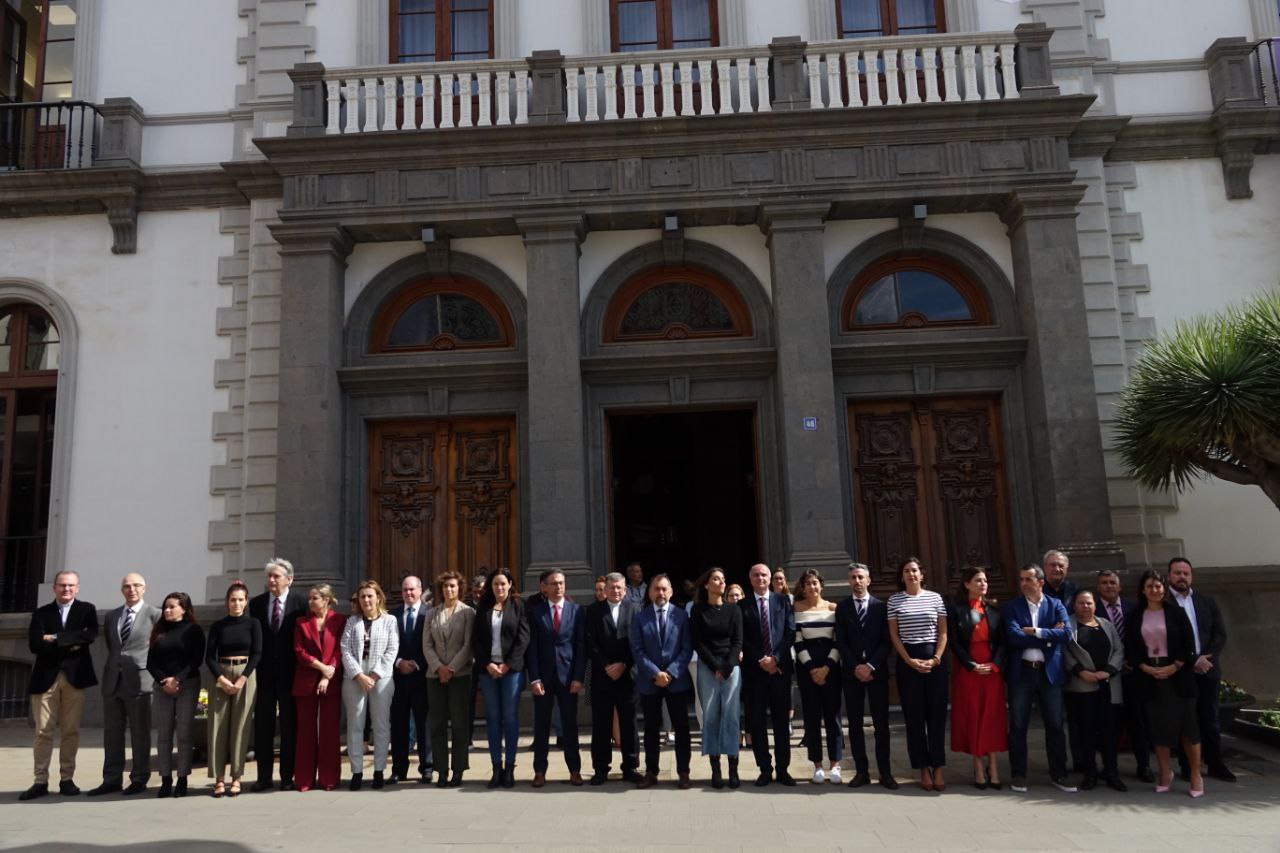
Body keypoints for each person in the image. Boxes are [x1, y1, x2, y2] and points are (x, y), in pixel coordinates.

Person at [21, 570, 98, 801]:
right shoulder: (41, 613)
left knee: (70, 731)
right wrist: (71, 641)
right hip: (46, 678)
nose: (67, 589)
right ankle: (40, 780)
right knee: (43, 731)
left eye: (71, 585)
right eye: (62, 585)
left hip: (75, 677)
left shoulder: (87, 610)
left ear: (78, 587)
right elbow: (35, 644)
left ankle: (67, 778)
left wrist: (53, 638)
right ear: (54, 587)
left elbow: (90, 635)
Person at [1125, 569, 1203, 797]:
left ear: (1163, 588)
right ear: (1143, 590)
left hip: (1178, 676)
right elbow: (1131, 646)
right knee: (1159, 729)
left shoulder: (1177, 613)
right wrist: (1145, 667)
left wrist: (1176, 665)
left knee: (1188, 728)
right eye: (1149, 586)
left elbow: (1189, 644)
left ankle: (1196, 774)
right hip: (1150, 675)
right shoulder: (1135, 616)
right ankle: (1165, 772)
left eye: (1158, 586)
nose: (1154, 590)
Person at [1002, 563, 1075, 793]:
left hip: (1049, 673)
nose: (1023, 583)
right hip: (1022, 672)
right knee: (1018, 725)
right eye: (1021, 579)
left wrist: (1036, 632)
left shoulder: (1055, 605)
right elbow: (1014, 637)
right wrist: (1049, 636)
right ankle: (1019, 774)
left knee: (1054, 724)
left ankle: (1059, 774)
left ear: (1040, 582)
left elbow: (1066, 634)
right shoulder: (1012, 607)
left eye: (1028, 579)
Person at [90, 572, 161, 796]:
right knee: (112, 733)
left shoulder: (155, 615)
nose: (131, 589)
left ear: (144, 588)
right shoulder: (113, 616)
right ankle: (111, 778)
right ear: (122, 590)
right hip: (113, 680)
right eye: (127, 586)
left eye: (136, 585)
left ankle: (139, 778)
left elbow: (158, 648)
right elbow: (113, 646)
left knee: (140, 732)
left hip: (139, 680)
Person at [1167, 557, 1234, 783]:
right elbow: (1167, 639)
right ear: (1169, 576)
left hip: (1208, 671)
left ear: (1191, 576)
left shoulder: (1207, 602)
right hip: (1182, 671)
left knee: (1210, 719)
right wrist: (1192, 660)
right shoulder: (1163, 604)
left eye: (1185, 573)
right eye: (1177, 573)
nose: (1182, 577)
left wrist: (1206, 659)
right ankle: (1187, 767)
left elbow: (1220, 635)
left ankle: (1215, 764)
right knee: (1186, 720)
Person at [888, 557, 949, 791]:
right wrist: (909, 661)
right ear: (902, 576)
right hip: (908, 663)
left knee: (936, 716)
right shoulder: (894, 601)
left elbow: (942, 632)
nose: (911, 574)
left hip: (935, 661)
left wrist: (936, 659)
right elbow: (894, 635)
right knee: (914, 718)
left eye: (915, 570)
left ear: (921, 574)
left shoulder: (935, 598)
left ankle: (939, 767)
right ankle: (923, 767)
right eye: (907, 571)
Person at [834, 563, 897, 789]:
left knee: (881, 724)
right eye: (853, 578)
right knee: (855, 724)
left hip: (876, 674)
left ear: (868, 581)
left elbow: (886, 641)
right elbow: (840, 641)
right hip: (852, 675)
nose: (857, 581)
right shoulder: (842, 609)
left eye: (861, 577)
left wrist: (870, 665)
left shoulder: (881, 608)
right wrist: (857, 667)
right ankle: (861, 772)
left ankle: (885, 772)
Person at [248, 557, 307, 792]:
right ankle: (264, 777)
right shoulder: (257, 604)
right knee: (263, 727)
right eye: (269, 576)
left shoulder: (300, 603)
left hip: (291, 674)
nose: (271, 580)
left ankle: (287, 776)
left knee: (289, 727)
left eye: (276, 576)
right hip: (263, 676)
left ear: (289, 579)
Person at [631, 573, 694, 788]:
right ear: (649, 592)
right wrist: (655, 673)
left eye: (664, 589)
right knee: (650, 728)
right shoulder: (640, 617)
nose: (660, 593)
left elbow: (687, 648)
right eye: (656, 589)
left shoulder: (681, 616)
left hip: (676, 681)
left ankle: (684, 771)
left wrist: (671, 672)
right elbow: (637, 650)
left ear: (671, 591)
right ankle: (651, 771)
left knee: (681, 727)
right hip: (650, 682)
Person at [947, 567, 1007, 790]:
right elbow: (954, 642)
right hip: (969, 670)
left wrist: (995, 665)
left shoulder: (994, 609)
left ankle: (993, 766)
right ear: (966, 584)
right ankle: (978, 767)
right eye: (978, 580)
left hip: (992, 671)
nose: (983, 584)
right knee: (973, 716)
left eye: (985, 580)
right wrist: (971, 665)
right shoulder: (956, 609)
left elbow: (1002, 642)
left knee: (991, 717)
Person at [526, 568, 587, 787]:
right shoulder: (535, 612)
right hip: (543, 678)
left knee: (570, 725)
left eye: (561, 583)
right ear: (544, 587)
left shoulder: (577, 611)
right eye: (553, 583)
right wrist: (534, 679)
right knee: (541, 726)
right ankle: (540, 771)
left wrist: (579, 677)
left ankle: (575, 770)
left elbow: (581, 647)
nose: (558, 587)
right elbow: (531, 649)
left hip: (568, 676)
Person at [472, 567, 530, 788]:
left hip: (511, 671)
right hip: (488, 670)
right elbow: (476, 639)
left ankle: (510, 767)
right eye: (495, 584)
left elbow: (523, 638)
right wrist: (487, 664)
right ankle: (496, 768)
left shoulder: (519, 606)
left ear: (510, 584)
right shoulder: (483, 607)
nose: (499, 588)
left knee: (510, 718)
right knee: (493, 718)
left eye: (503, 584)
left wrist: (507, 665)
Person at [1095, 568, 1153, 783]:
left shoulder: (1133, 608)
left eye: (1112, 582)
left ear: (1119, 586)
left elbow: (1143, 638)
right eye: (1104, 583)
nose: (1109, 586)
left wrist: (1135, 662)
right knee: (1109, 724)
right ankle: (1110, 767)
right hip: (1108, 675)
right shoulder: (1093, 610)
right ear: (1098, 587)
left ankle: (1144, 765)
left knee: (1138, 722)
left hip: (1134, 674)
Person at [740, 562, 796, 786]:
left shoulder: (783, 601)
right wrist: (760, 660)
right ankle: (764, 768)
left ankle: (783, 769)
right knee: (758, 723)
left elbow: (790, 633)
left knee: (782, 722)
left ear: (770, 578)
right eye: (756, 575)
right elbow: (741, 637)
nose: (760, 579)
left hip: (780, 671)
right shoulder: (741, 606)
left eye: (764, 575)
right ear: (750, 579)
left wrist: (776, 659)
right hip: (755, 673)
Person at [1064, 589, 1126, 791]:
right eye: (1081, 603)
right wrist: (1081, 672)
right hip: (1082, 686)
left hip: (1107, 685)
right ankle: (1089, 773)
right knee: (1086, 732)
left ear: (1095, 605)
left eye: (1089, 603)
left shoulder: (1106, 624)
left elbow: (1119, 649)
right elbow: (1064, 652)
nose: (1085, 606)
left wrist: (1108, 671)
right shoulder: (1068, 625)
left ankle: (1111, 772)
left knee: (1109, 731)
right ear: (1074, 605)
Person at [341, 579, 399, 790]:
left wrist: (374, 675)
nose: (366, 600)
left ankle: (379, 770)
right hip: (354, 679)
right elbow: (345, 649)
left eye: (370, 596)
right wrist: (358, 675)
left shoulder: (389, 621)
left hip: (381, 679)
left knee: (381, 725)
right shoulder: (352, 622)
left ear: (378, 598)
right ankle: (356, 772)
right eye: (363, 596)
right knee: (355, 725)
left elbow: (392, 650)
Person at [205, 580, 262, 798]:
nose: (236, 604)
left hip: (245, 675)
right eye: (232, 600)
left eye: (240, 600)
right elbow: (209, 656)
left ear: (246, 602)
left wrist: (241, 679)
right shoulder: (219, 626)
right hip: (221, 673)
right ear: (227, 602)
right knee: (217, 726)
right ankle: (219, 779)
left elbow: (257, 654)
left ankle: (236, 777)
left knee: (240, 726)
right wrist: (221, 678)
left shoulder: (253, 624)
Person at [146, 591, 205, 798]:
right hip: (162, 686)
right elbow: (150, 661)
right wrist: (165, 680)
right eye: (165, 607)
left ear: (183, 609)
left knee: (184, 732)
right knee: (164, 734)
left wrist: (177, 679)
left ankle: (182, 778)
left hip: (186, 684)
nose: (167, 611)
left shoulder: (193, 630)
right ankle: (165, 779)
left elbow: (196, 659)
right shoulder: (159, 630)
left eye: (172, 607)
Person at [585, 571, 641, 785]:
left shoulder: (635, 609)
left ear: (625, 590)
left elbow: (637, 641)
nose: (615, 591)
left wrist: (624, 664)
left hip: (628, 675)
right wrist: (607, 665)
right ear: (604, 589)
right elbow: (590, 642)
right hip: (602, 675)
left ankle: (631, 767)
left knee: (629, 724)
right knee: (601, 724)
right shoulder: (592, 611)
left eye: (619, 588)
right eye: (611, 587)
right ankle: (600, 768)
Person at [690, 567, 743, 789]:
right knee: (711, 715)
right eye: (715, 579)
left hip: (731, 666)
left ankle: (733, 768)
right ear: (706, 585)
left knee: (731, 715)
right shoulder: (698, 610)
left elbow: (738, 641)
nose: (721, 582)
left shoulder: (733, 610)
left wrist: (728, 666)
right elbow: (698, 642)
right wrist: (715, 666)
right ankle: (716, 769)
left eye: (723, 579)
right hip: (707, 667)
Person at [292, 583, 346, 792]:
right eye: (310, 598)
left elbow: (341, 648)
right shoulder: (301, 622)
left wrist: (329, 672)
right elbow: (299, 650)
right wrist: (322, 667)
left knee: (329, 731)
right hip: (306, 681)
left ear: (326, 600)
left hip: (331, 681)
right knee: (305, 731)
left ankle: (329, 778)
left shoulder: (340, 620)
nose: (310, 602)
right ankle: (304, 779)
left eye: (315, 598)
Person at [423, 570, 475, 787]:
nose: (449, 590)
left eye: (453, 586)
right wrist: (438, 668)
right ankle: (441, 770)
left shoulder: (468, 613)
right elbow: (426, 644)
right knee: (437, 724)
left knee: (459, 724)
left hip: (460, 675)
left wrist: (451, 669)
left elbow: (468, 645)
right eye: (445, 586)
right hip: (434, 676)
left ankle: (458, 770)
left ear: (459, 588)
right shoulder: (431, 613)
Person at [792, 569, 842, 784]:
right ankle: (817, 765)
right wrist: (812, 668)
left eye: (815, 583)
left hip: (831, 667)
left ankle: (836, 764)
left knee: (833, 717)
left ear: (821, 585)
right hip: (807, 668)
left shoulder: (833, 609)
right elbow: (797, 641)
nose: (812, 587)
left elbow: (838, 641)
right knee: (812, 717)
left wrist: (826, 668)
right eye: (808, 584)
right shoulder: (796, 610)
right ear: (803, 587)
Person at [388, 575, 433, 785]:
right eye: (405, 590)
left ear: (420, 590)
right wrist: (398, 662)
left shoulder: (429, 614)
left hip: (421, 677)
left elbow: (432, 644)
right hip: (397, 678)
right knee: (398, 724)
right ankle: (399, 769)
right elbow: (387, 645)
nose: (408, 593)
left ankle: (427, 767)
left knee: (424, 724)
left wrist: (416, 663)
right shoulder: (392, 615)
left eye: (412, 590)